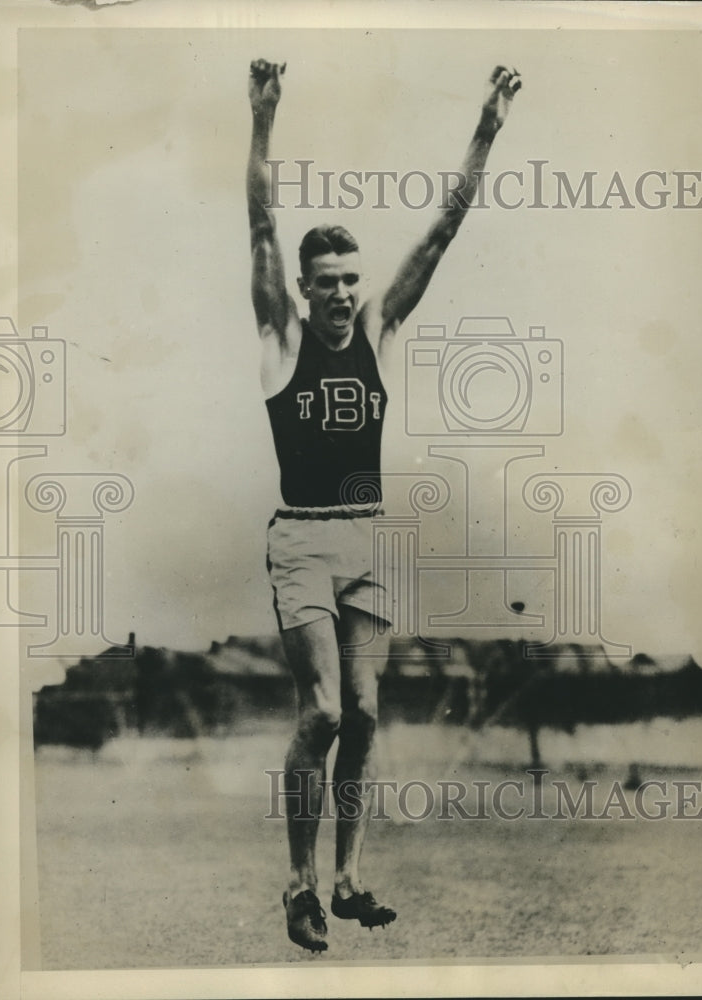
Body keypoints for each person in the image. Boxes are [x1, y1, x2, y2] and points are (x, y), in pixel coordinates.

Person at [247, 57, 522, 954]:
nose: (340, 293)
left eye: (349, 279)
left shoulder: (377, 331)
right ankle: (297, 884)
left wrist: (486, 127)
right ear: (303, 288)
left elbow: (442, 230)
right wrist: (263, 118)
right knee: (322, 712)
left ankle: (348, 878)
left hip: (370, 544)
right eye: (325, 280)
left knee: (365, 714)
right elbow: (260, 221)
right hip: (303, 543)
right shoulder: (280, 338)